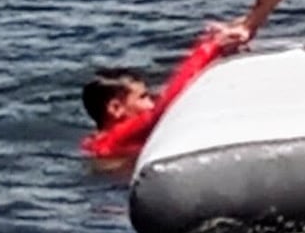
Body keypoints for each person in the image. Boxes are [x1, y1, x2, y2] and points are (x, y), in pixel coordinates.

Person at [79, 24, 240, 167]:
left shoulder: (98, 141)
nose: (151, 104)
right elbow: (164, 106)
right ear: (116, 108)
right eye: (143, 98)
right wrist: (208, 48)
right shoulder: (118, 136)